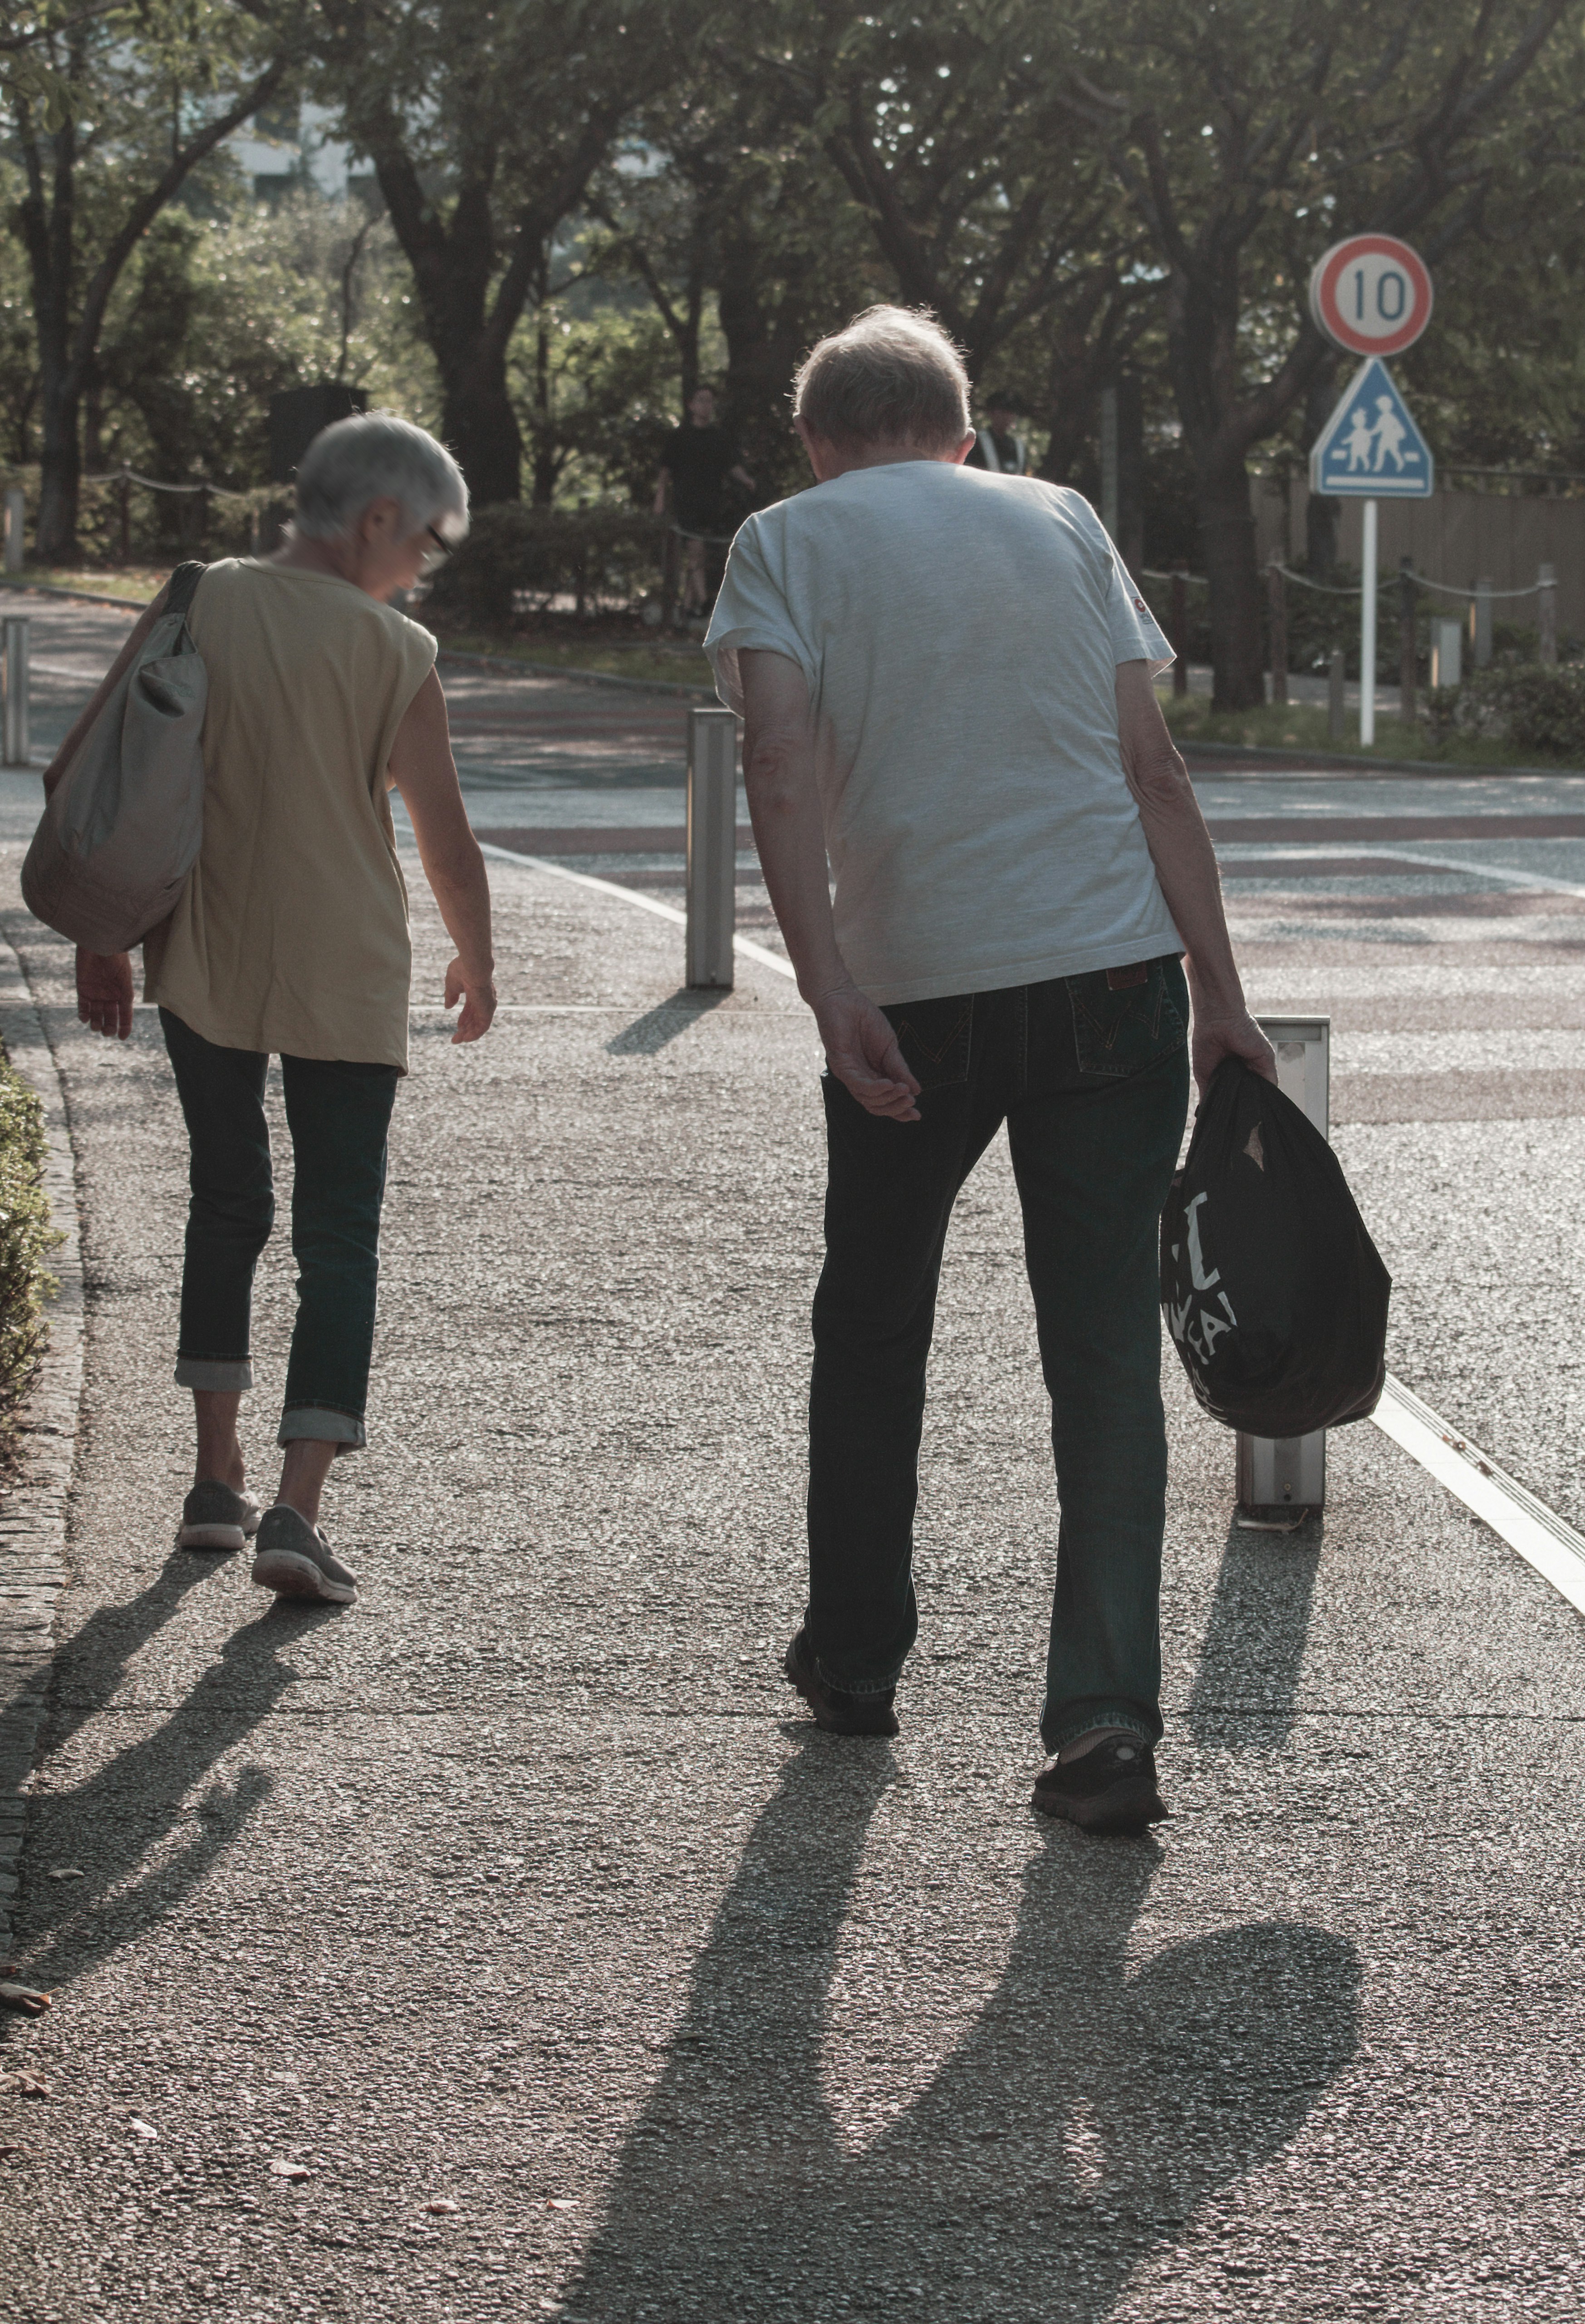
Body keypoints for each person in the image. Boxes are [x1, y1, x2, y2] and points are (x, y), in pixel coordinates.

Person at [706, 306, 1275, 1836]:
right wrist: (1221, 993)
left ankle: (856, 1659)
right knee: (1101, 1351)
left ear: (819, 442)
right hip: (1112, 981)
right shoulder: (1065, 520)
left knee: (876, 1318)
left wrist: (827, 991)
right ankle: (1103, 1721)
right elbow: (1154, 767)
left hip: (916, 995)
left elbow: (775, 760)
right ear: (965, 432)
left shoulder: (785, 538)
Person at [43, 413, 497, 1607]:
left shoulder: (201, 596)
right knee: (340, 1231)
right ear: (378, 518)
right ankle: (298, 1508)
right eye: (427, 543)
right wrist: (479, 960)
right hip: (348, 966)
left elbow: (92, 763)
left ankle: (212, 1481)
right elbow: (445, 839)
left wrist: (103, 935)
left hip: (207, 950)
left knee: (227, 1198)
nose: (423, 568)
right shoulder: (399, 649)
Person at [653, 385, 756, 618]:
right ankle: (706, 601)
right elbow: (665, 471)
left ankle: (689, 609)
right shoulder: (679, 437)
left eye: (709, 401)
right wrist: (660, 498)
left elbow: (732, 465)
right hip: (686, 503)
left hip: (711, 504)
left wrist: (747, 480)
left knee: (700, 557)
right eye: (701, 401)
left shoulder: (718, 437)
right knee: (696, 550)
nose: (706, 406)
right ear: (691, 405)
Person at [965, 391, 1028, 476]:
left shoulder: (1018, 447)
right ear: (991, 413)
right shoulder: (977, 442)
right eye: (1003, 411)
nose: (1007, 417)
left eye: (1011, 412)